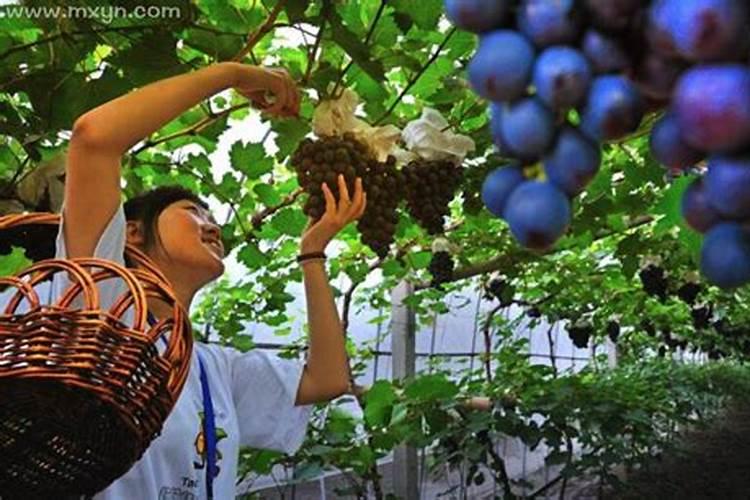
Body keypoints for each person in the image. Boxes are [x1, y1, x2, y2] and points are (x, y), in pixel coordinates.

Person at [56, 61, 367, 499]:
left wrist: (312, 253)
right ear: (132, 232)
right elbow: (93, 138)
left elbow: (327, 379)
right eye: (193, 211)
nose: (212, 225)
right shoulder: (97, 304)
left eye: (212, 216)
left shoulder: (211, 368)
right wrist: (236, 75)